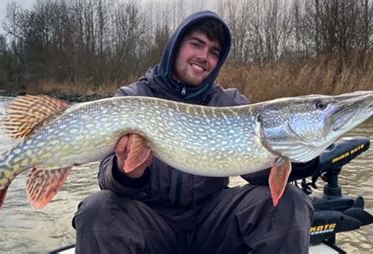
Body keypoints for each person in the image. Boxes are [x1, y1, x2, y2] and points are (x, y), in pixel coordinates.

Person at [73, 10, 317, 254]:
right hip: (150, 223)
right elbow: (106, 177)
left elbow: (258, 174)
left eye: (214, 52)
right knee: (98, 211)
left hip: (212, 222)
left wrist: (300, 155)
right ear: (176, 46)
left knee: (289, 203)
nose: (204, 57)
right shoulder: (133, 98)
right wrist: (128, 173)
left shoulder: (230, 103)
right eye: (197, 44)